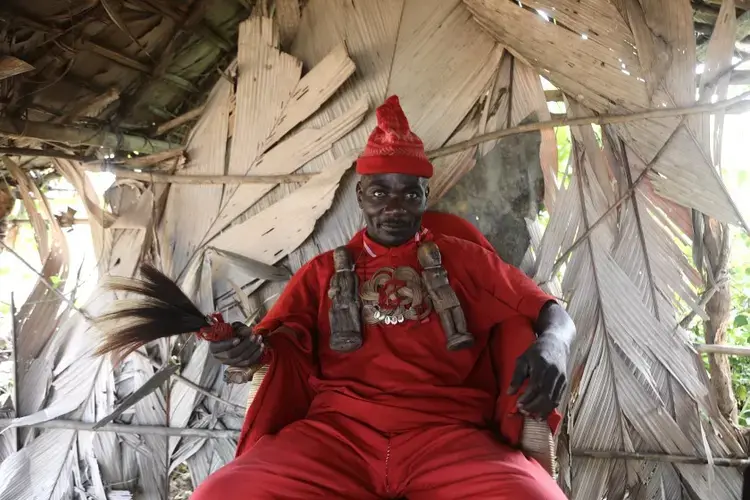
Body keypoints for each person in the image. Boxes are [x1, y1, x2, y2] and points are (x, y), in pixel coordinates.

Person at [192, 96, 575, 499]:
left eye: (409, 195)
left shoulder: (466, 260)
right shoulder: (321, 273)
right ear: (360, 195)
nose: (393, 207)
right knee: (219, 494)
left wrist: (553, 345)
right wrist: (245, 350)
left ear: (424, 198)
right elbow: (277, 350)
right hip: (336, 438)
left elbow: (553, 314)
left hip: (450, 436)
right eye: (379, 193)